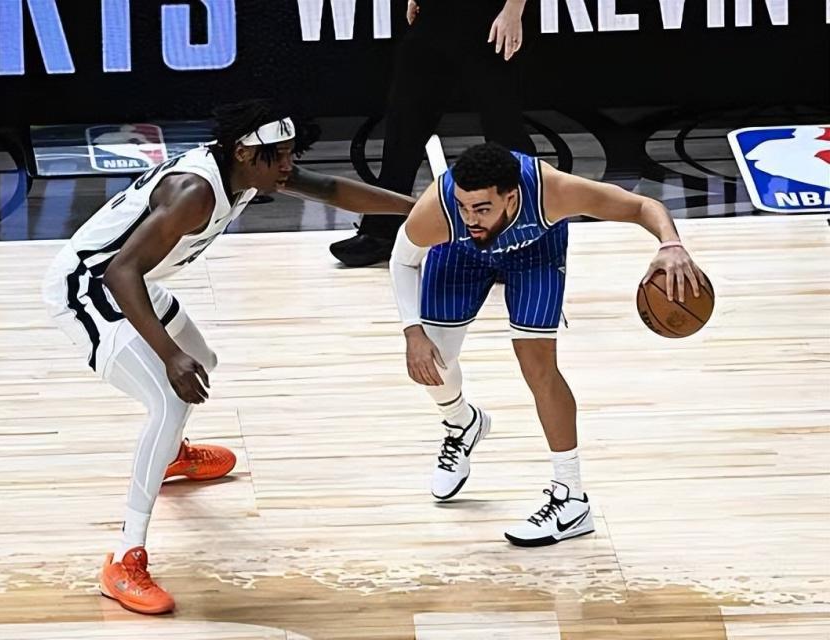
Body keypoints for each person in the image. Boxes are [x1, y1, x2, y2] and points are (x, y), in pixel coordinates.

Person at [42, 100, 415, 615]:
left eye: (290, 154)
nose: (287, 166)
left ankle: (170, 455)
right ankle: (124, 561)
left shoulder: (250, 168)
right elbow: (119, 273)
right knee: (171, 396)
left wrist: (419, 209)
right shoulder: (195, 192)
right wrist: (169, 356)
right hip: (91, 289)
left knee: (203, 361)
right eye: (278, 156)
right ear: (243, 152)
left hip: (137, 282)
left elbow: (332, 190)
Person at [389, 142, 705, 547]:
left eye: (482, 209)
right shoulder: (441, 210)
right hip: (461, 255)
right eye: (464, 207)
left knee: (538, 367)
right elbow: (402, 260)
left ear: (511, 197)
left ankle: (571, 499)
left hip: (535, 254)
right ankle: (462, 422)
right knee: (433, 362)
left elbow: (642, 206)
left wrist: (671, 245)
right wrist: (411, 331)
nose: (470, 217)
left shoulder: (553, 191)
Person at [330, 0, 533, 267]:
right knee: (404, 123)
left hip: (490, 15)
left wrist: (513, 10)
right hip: (436, 14)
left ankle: (522, 238)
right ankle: (382, 230)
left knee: (504, 127)